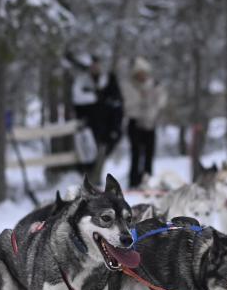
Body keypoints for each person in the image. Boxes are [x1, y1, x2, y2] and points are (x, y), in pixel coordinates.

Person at [63, 51, 124, 181]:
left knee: (101, 157)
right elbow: (78, 103)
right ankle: (89, 181)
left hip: (107, 128)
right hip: (89, 129)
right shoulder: (83, 82)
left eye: (97, 65)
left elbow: (117, 106)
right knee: (87, 158)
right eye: (92, 65)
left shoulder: (109, 80)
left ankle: (96, 181)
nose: (95, 68)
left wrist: (115, 128)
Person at [121, 56, 167, 189]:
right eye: (139, 73)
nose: (142, 76)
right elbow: (129, 105)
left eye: (144, 73)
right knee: (136, 153)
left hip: (150, 124)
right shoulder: (129, 86)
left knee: (149, 154)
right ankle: (133, 182)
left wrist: (157, 92)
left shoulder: (153, 85)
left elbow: (160, 102)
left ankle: (148, 181)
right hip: (134, 123)